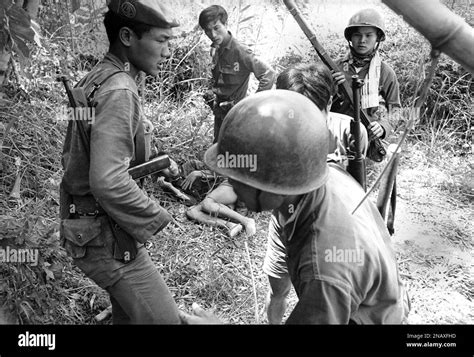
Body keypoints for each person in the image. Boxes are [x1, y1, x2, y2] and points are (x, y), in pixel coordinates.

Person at [180, 90, 410, 324]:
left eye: (242, 178)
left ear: (276, 183)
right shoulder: (320, 177)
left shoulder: (324, 269)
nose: (233, 186)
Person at [59, 0, 182, 324]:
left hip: (89, 225)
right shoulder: (119, 90)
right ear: (127, 36)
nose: (167, 53)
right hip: (105, 236)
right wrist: (156, 216)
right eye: (161, 41)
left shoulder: (100, 76)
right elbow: (107, 180)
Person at [198, 5, 276, 143]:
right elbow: (217, 76)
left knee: (233, 149)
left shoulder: (240, 51)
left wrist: (251, 105)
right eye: (208, 31)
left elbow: (268, 74)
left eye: (216, 28)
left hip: (236, 114)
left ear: (226, 24)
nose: (213, 35)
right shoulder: (215, 48)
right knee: (218, 145)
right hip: (219, 110)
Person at [276, 62, 368, 169]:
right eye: (296, 117)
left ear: (329, 103)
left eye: (311, 117)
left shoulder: (349, 133)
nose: (304, 126)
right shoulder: (268, 133)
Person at [331, 8, 401, 142]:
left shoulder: (385, 72)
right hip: (334, 134)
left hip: (366, 138)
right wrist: (331, 87)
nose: (362, 40)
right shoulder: (335, 67)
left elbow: (395, 109)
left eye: (369, 35)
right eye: (357, 35)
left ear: (377, 39)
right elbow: (318, 102)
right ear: (350, 37)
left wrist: (383, 126)